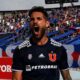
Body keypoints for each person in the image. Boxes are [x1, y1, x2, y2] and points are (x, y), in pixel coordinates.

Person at [12, 6, 72, 80]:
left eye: (39, 19)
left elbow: (67, 77)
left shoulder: (59, 49)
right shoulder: (20, 50)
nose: (35, 21)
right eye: (32, 19)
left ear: (47, 24)